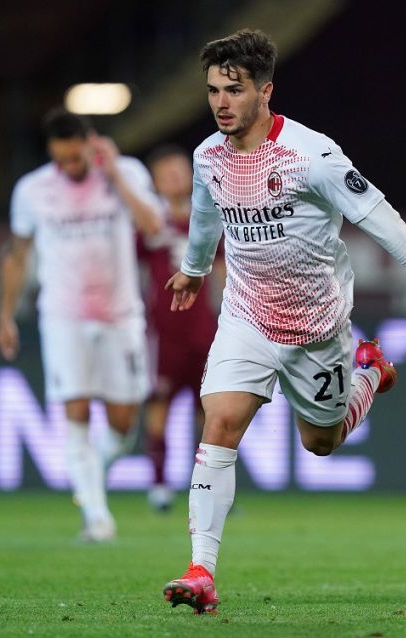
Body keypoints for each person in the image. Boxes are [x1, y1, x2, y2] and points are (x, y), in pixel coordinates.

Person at [160, 29, 406, 615]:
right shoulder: (207, 157)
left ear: (265, 91)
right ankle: (202, 571)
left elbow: (382, 220)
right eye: (214, 90)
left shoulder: (313, 156)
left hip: (317, 328)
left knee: (319, 442)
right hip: (244, 317)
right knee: (218, 425)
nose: (221, 102)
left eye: (233, 90)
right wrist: (193, 269)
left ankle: (368, 372)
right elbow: (203, 215)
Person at [0, 107, 163, 541]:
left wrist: (116, 176)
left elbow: (153, 226)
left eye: (77, 158)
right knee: (75, 411)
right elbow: (17, 256)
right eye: (61, 159)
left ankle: (89, 482)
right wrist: (5, 315)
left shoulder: (126, 172)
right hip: (63, 315)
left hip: (120, 314)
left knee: (124, 423)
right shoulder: (32, 190)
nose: (69, 167)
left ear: (92, 144)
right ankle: (96, 516)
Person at [139, 145, 223, 513]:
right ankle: (158, 484)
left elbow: (221, 269)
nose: (174, 177)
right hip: (163, 330)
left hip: (203, 328)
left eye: (179, 170)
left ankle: (208, 489)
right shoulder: (149, 223)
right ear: (155, 182)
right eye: (166, 172)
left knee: (209, 410)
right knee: (160, 404)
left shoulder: (207, 217)